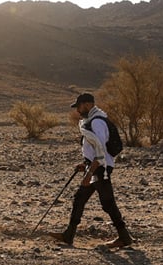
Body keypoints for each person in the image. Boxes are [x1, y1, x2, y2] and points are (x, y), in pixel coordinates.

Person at [50, 92, 134, 250]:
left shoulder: (97, 123)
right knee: (79, 199)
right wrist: (85, 164)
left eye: (79, 106)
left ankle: (124, 237)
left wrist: (89, 173)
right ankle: (69, 234)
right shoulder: (91, 121)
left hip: (100, 168)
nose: (78, 111)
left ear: (87, 105)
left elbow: (100, 151)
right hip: (94, 166)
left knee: (108, 203)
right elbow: (94, 149)